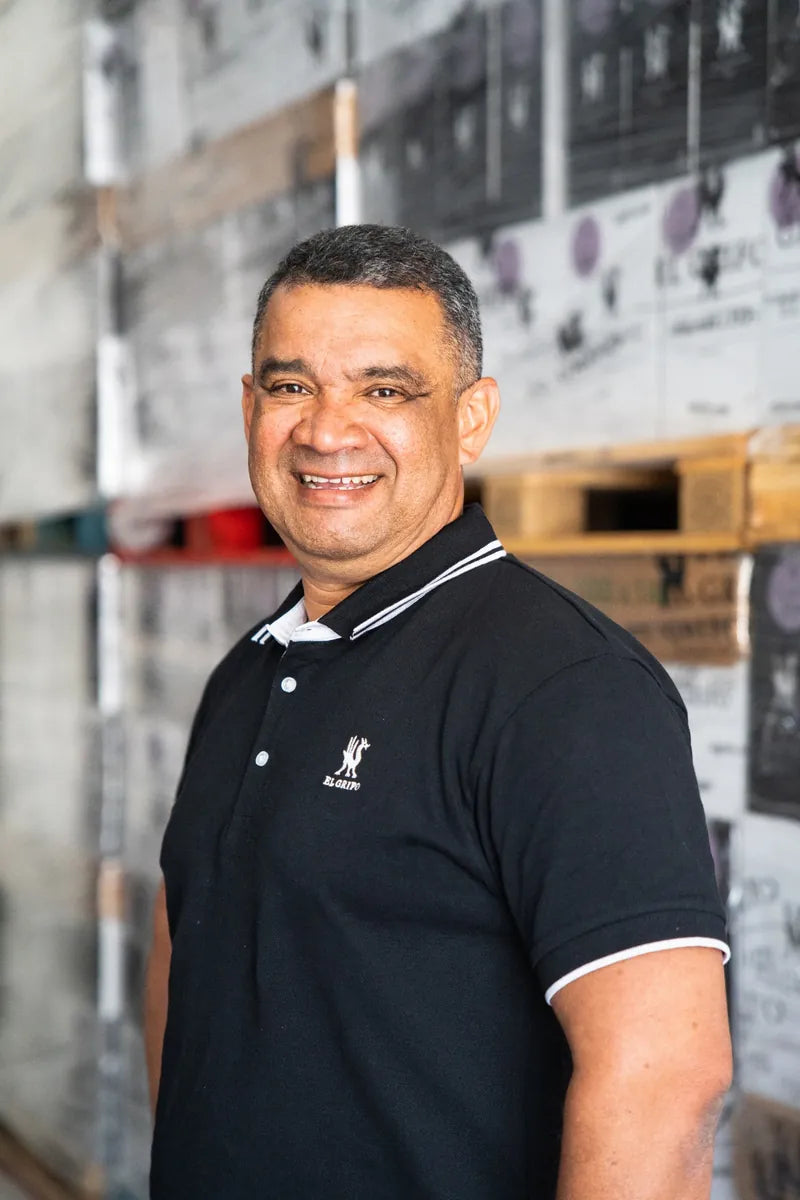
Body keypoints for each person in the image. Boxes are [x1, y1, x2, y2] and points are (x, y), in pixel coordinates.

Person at [145, 224, 732, 1200]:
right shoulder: (244, 676)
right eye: (291, 387)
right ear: (249, 408)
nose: (327, 430)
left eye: (384, 389)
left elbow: (666, 1086)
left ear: (469, 419)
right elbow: (188, 955)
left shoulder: (561, 686)